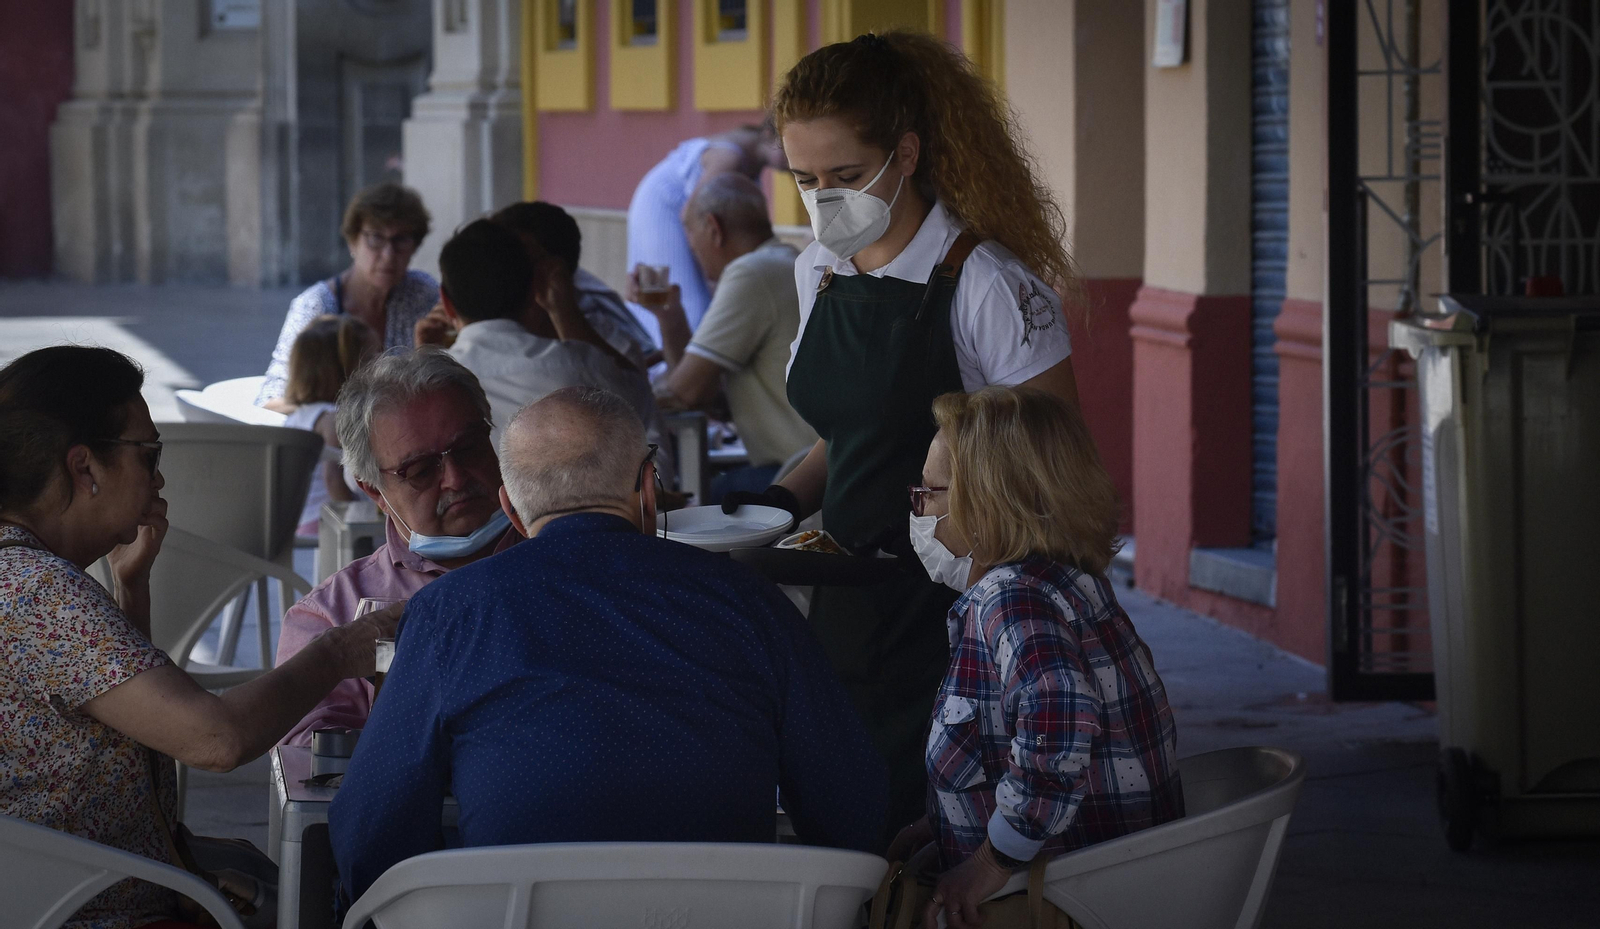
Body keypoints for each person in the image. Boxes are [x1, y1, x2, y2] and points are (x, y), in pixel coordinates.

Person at [726, 31, 1086, 847]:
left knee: (930, 832)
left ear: (907, 153)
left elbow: (1056, 477)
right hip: (844, 594)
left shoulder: (989, 283)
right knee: (843, 819)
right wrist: (776, 505)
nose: (824, 200)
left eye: (847, 177)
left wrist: (973, 574)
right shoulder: (815, 267)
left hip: (958, 612)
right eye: (805, 180)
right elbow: (855, 434)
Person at [329, 387, 887, 905]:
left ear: (512, 509)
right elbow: (852, 811)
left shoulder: (448, 614)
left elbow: (368, 832)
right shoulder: (752, 602)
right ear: (648, 487)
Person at [0, 346, 395, 929]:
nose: (159, 478)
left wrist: (132, 591)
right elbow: (217, 740)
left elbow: (131, 720)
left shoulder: (27, 577)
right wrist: (338, 651)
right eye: (148, 455)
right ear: (84, 468)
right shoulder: (39, 593)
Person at [889, 387, 1183, 928]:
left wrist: (991, 859)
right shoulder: (1065, 585)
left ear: (988, 503)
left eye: (928, 493)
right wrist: (947, 818)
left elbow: (1059, 717)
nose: (920, 510)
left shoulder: (1013, 598)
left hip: (1071, 899)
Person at [275, 349, 518, 745]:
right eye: (421, 470)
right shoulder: (334, 617)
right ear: (375, 492)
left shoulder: (562, 560)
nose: (455, 478)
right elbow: (313, 770)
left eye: (469, 448)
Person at [434, 219, 675, 479]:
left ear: (446, 303)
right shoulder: (584, 365)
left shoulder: (433, 383)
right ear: (532, 293)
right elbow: (641, 402)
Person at [630, 173, 818, 503]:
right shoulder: (783, 261)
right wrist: (670, 318)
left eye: (693, 247)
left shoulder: (751, 272)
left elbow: (685, 393)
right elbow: (704, 393)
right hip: (811, 464)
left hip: (800, 473)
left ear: (714, 229)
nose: (696, 258)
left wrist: (624, 398)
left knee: (686, 502)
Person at [257, 183, 436, 403]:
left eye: (401, 240)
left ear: (415, 246)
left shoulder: (422, 293)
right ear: (353, 241)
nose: (388, 255)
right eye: (376, 238)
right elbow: (271, 398)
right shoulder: (316, 305)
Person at [626, 123, 787, 333]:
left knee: (702, 311)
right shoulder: (730, 157)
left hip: (692, 220)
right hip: (667, 210)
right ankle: (665, 364)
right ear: (769, 134)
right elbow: (693, 214)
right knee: (691, 313)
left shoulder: (751, 162)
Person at [493, 200, 661, 371]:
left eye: (514, 260)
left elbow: (631, 384)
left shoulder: (599, 327)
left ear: (551, 271)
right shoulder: (492, 323)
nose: (499, 270)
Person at [261, 315, 380, 535]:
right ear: (346, 369)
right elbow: (333, 479)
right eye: (372, 357)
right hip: (325, 523)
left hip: (299, 520)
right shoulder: (332, 418)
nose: (379, 364)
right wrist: (362, 515)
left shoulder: (301, 414)